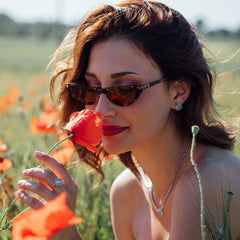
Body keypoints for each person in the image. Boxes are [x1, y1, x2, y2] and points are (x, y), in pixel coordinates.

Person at [17, 0, 240, 239]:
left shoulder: (208, 179)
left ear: (178, 91)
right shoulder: (127, 192)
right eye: (90, 89)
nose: (100, 110)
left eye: (125, 90)